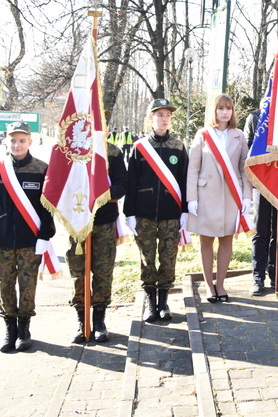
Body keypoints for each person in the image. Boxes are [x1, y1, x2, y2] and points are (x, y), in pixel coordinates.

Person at [0, 121, 56, 352]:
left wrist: (45, 235)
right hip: (2, 240)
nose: (17, 144)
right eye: (13, 140)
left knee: (27, 285)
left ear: (30, 142)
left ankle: (24, 328)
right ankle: (9, 329)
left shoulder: (42, 170)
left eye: (22, 140)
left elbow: (48, 207)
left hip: (30, 241)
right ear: (6, 142)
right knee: (5, 285)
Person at [124, 98, 189, 323]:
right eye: (160, 115)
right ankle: (150, 303)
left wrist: (185, 210)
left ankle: (164, 302)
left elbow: (184, 179)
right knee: (147, 259)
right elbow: (131, 181)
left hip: (171, 214)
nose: (164, 119)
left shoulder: (178, 146)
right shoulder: (140, 147)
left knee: (169, 258)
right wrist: (129, 213)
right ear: (151, 118)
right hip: (144, 214)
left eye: (168, 115)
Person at [186, 94, 252, 302]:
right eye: (220, 108)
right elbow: (193, 168)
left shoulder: (239, 136)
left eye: (228, 108)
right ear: (214, 111)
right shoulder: (203, 135)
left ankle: (221, 284)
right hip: (206, 196)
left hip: (231, 196)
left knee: (226, 240)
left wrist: (247, 196)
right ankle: (208, 286)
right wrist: (191, 198)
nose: (225, 112)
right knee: (206, 241)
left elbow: (244, 168)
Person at [66, 141, 127, 343]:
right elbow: (58, 183)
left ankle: (99, 321)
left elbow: (121, 185)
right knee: (78, 273)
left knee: (103, 272)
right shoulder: (69, 149)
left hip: (104, 222)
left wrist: (100, 194)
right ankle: (82, 321)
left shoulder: (113, 152)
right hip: (78, 223)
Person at [246, 99, 278, 296]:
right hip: (261, 182)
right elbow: (248, 150)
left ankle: (275, 273)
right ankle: (257, 276)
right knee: (261, 229)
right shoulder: (255, 118)